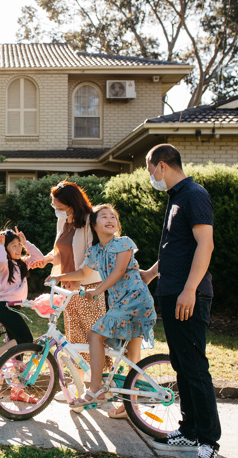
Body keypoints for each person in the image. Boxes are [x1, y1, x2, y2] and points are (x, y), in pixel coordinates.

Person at [142, 144, 221, 458]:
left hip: (189, 294)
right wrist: (150, 274)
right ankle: (189, 432)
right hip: (172, 292)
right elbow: (177, 248)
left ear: (162, 165)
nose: (152, 178)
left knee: (195, 367)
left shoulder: (194, 194)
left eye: (151, 172)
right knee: (182, 365)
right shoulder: (176, 198)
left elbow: (205, 244)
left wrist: (190, 289)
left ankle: (208, 441)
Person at [45, 203, 156, 410]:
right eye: (104, 217)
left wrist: (96, 291)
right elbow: (83, 274)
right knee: (131, 355)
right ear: (93, 225)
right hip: (121, 303)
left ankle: (95, 389)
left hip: (134, 300)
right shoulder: (95, 251)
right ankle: (132, 404)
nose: (110, 220)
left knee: (95, 335)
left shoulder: (123, 243)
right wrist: (58, 276)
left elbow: (119, 271)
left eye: (113, 217)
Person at [30, 181, 112, 394]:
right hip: (69, 289)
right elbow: (60, 250)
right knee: (74, 340)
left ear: (72, 204)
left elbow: (89, 259)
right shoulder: (64, 222)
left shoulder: (88, 223)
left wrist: (65, 276)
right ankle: (79, 388)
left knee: (93, 338)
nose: (55, 210)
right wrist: (45, 260)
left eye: (58, 207)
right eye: (54, 206)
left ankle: (102, 388)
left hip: (89, 288)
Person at [0, 227, 43, 403]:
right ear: (6, 250)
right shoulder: (4, 266)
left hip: (16, 310)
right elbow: (0, 261)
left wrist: (26, 242)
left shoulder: (22, 264)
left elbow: (39, 258)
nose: (17, 249)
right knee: (26, 340)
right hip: (4, 308)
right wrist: (0, 246)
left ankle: (17, 391)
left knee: (18, 354)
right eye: (13, 246)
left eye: (18, 246)